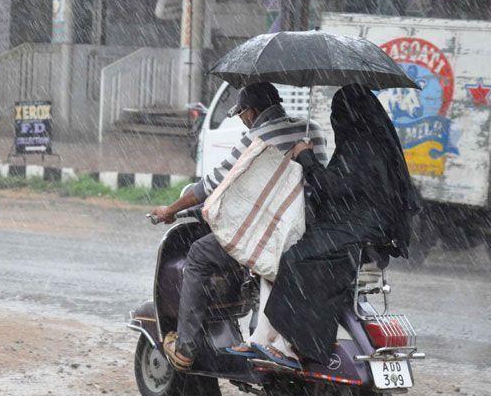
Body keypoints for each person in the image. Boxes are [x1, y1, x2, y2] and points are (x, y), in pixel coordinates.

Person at [149, 81, 328, 370]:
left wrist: (170, 210)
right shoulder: (313, 131)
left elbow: (213, 183)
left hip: (272, 235)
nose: (244, 122)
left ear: (252, 111)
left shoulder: (258, 137)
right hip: (309, 229)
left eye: (243, 114)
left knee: (197, 255)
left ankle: (185, 348)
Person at [263, 83, 421, 365]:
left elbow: (330, 188)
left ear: (347, 116)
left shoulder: (359, 148)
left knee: (295, 259)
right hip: (371, 228)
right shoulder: (373, 143)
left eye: (338, 113)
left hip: (358, 231)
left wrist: (305, 156)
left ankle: (302, 346)